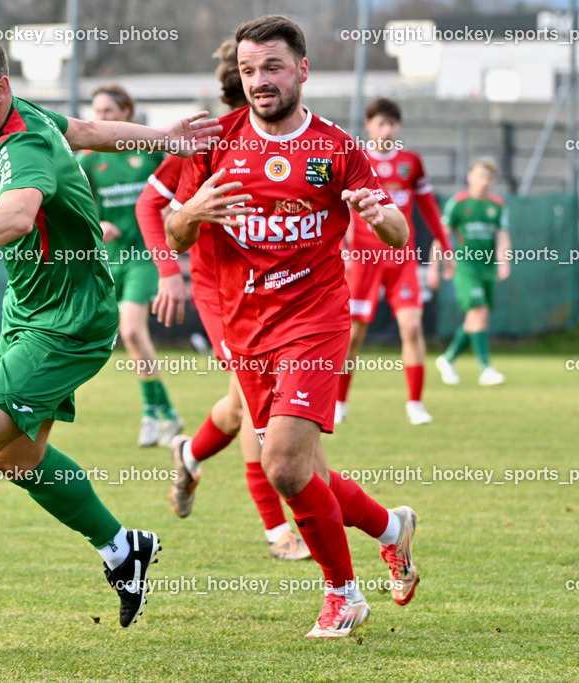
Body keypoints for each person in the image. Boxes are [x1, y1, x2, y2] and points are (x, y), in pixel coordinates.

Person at [0, 29, 220, 655]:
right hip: (31, 309)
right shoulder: (26, 117)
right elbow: (85, 131)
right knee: (16, 460)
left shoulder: (21, 141)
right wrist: (163, 139)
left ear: (0, 89)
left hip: (66, 324)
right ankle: (124, 548)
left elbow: (13, 215)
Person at [165, 15, 421, 638]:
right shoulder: (214, 143)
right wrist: (191, 212)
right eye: (249, 71)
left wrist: (376, 212)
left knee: (281, 464)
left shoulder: (337, 147)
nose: (260, 81)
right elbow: (175, 230)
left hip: (315, 321)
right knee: (310, 474)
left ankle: (343, 594)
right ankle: (392, 528)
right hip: (246, 329)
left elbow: (398, 231)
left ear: (302, 70)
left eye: (272, 68)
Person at [136, 39, 309, 561]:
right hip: (224, 295)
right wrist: (170, 273)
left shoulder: (301, 138)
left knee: (239, 408)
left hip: (281, 298)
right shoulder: (212, 138)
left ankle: (188, 454)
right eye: (251, 81)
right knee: (259, 411)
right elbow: (152, 206)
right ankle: (277, 530)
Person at [336, 98, 454, 426]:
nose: (385, 129)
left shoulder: (410, 162)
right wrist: (342, 250)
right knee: (353, 334)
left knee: (412, 328)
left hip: (401, 256)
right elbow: (338, 209)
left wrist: (445, 247)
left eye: (391, 123)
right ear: (369, 125)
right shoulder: (355, 160)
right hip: (363, 259)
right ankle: (339, 403)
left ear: (397, 126)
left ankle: (415, 404)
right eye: (379, 123)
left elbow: (428, 207)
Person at [79, 85, 182, 447]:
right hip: (110, 259)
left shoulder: (150, 151)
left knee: (134, 332)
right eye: (96, 111)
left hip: (145, 256)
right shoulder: (90, 160)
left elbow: (177, 192)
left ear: (126, 112)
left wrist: (168, 215)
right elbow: (78, 206)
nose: (100, 118)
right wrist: (98, 225)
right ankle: (162, 412)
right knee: (128, 339)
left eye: (108, 111)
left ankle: (153, 414)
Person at [433, 158, 510, 386]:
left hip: (487, 267)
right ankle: (486, 369)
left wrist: (504, 261)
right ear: (470, 177)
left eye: (488, 177)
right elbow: (441, 236)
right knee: (479, 312)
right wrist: (434, 268)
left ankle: (448, 359)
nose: (483, 181)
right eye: (479, 176)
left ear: (492, 181)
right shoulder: (458, 204)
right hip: (465, 266)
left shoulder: (497, 205)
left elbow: (502, 235)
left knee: (475, 318)